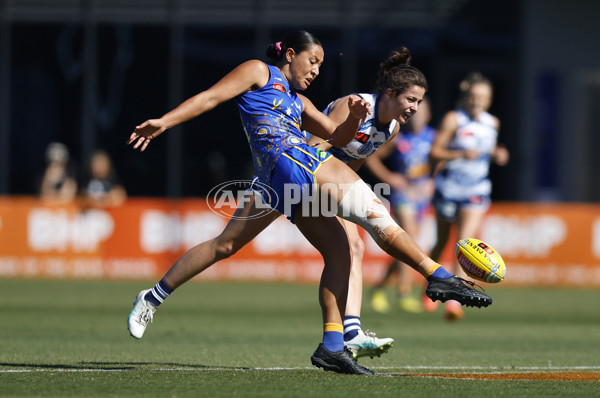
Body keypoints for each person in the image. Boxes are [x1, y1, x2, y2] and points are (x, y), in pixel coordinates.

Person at [126, 31, 492, 375]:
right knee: (366, 217)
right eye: (312, 61)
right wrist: (165, 121)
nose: (316, 70)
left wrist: (354, 121)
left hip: (288, 177)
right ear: (289, 54)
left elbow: (338, 137)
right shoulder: (259, 71)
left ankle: (333, 344)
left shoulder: (301, 102)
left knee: (340, 251)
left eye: (320, 65)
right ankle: (437, 276)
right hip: (294, 165)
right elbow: (210, 97)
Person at [425, 71, 509, 321]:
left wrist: (498, 154)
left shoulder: (492, 123)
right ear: (466, 97)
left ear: (489, 100)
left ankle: (455, 300)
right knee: (441, 243)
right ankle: (429, 284)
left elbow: (487, 148)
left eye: (482, 98)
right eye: (473, 97)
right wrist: (460, 154)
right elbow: (434, 153)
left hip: (476, 189)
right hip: (449, 187)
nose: (477, 102)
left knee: (465, 243)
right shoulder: (454, 119)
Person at [364, 97, 436, 314]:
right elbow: (371, 157)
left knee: (407, 244)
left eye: (422, 112)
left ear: (429, 115)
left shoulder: (433, 138)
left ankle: (380, 286)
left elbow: (441, 162)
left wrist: (433, 180)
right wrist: (389, 177)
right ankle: (404, 291)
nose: (418, 116)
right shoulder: (397, 137)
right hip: (403, 194)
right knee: (410, 236)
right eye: (415, 112)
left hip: (422, 197)